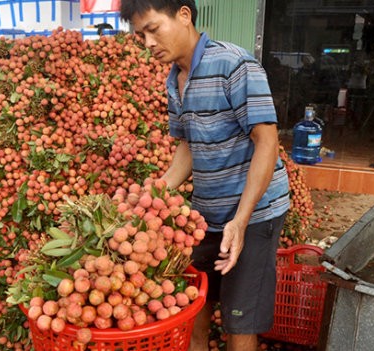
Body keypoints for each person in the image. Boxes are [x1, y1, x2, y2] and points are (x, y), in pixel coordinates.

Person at [120, 2, 290, 351]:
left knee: (238, 322)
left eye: (153, 29)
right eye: (141, 36)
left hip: (255, 214)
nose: (148, 43)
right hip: (207, 215)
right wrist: (155, 193)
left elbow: (267, 142)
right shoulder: (173, 79)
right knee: (194, 309)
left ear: (184, 15)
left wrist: (240, 222)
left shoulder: (234, 64)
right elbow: (188, 147)